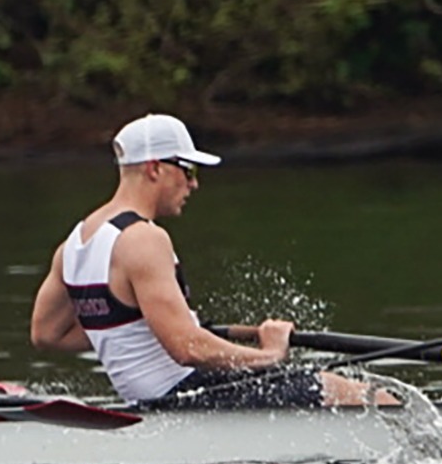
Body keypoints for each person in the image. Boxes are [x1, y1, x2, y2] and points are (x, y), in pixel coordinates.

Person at [30, 112, 385, 408]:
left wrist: (134, 334)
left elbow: (47, 335)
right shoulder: (143, 239)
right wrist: (271, 353)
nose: (194, 185)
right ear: (155, 168)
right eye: (189, 170)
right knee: (354, 393)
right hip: (185, 393)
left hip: (155, 397)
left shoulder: (73, 244)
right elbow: (187, 348)